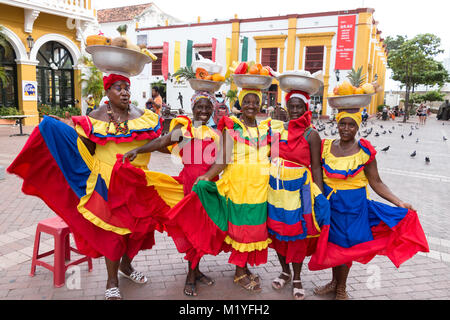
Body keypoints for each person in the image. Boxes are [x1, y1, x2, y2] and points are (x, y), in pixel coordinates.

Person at [8, 74, 181, 300]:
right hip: (107, 184)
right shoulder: (95, 118)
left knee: (139, 230)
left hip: (140, 183)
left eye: (127, 88)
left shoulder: (145, 117)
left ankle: (126, 267)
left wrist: (180, 138)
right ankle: (111, 282)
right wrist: (64, 128)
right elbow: (84, 149)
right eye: (118, 88)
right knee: (113, 233)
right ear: (107, 93)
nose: (124, 92)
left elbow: (158, 145)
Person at [309, 110, 429, 300]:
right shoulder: (326, 146)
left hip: (354, 207)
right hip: (331, 205)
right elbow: (315, 169)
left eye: (351, 125)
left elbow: (377, 182)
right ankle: (334, 283)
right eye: (342, 124)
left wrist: (399, 202)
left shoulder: (364, 152)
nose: (346, 129)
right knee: (333, 244)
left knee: (347, 246)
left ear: (358, 127)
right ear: (337, 124)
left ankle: (341, 287)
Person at [167, 88, 272, 292]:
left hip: (259, 190)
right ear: (241, 104)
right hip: (237, 187)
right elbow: (222, 158)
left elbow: (272, 155)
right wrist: (206, 176)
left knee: (254, 229)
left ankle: (242, 268)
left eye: (255, 101)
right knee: (238, 229)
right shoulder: (230, 127)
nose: (251, 105)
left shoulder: (266, 128)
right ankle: (236, 272)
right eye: (247, 101)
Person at [122, 91, 220, 296]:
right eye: (199, 107)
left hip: (209, 191)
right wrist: (138, 150)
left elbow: (223, 162)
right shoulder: (185, 131)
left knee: (203, 232)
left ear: (213, 109)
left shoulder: (217, 134)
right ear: (192, 109)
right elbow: (161, 142)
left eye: (207, 107)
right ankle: (191, 276)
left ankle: (196, 270)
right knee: (195, 232)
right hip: (188, 190)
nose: (203, 111)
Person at [268, 90, 330, 300]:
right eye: (291, 106)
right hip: (277, 189)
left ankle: (296, 277)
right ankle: (284, 271)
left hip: (301, 192)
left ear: (306, 108)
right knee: (277, 231)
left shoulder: (312, 134)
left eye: (299, 107)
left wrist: (319, 195)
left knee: (298, 234)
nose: (295, 111)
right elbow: (273, 158)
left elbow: (315, 167)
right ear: (286, 107)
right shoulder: (278, 131)